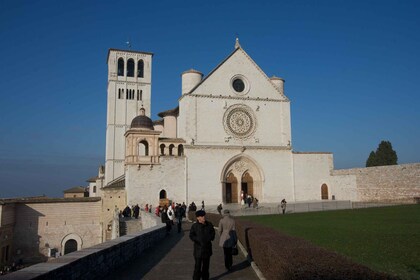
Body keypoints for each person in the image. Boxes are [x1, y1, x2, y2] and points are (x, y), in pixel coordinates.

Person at [189, 210, 215, 280]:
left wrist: (210, 238)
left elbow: (213, 233)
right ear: (198, 218)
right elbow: (191, 235)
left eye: (204, 215)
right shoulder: (194, 226)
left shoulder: (209, 224)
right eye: (202, 216)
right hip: (198, 251)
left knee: (206, 268)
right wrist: (197, 239)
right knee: (197, 267)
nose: (204, 217)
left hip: (207, 250)